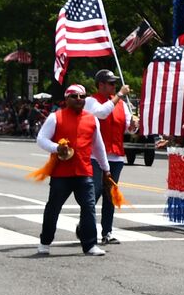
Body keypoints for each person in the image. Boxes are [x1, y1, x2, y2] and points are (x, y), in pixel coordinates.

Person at [34, 84, 110, 256]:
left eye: (82, 96)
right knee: (53, 207)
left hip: (84, 171)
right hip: (61, 173)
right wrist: (55, 148)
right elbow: (41, 138)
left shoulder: (92, 119)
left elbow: (99, 147)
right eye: (74, 96)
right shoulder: (56, 117)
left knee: (89, 207)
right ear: (66, 99)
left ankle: (90, 244)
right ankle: (45, 242)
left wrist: (106, 168)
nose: (78, 99)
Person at [83, 69, 131, 245]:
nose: (114, 86)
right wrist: (119, 95)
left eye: (114, 83)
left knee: (110, 195)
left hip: (115, 156)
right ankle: (86, 226)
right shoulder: (90, 101)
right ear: (101, 85)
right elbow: (102, 113)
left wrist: (134, 125)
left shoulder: (121, 104)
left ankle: (107, 232)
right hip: (95, 156)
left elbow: (127, 129)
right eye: (110, 83)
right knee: (93, 193)